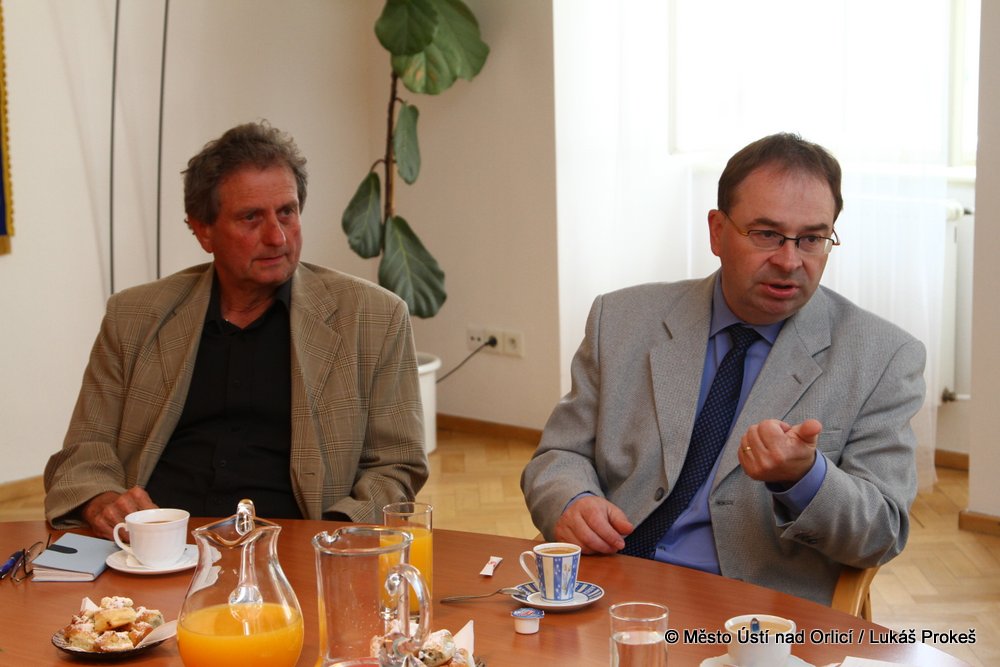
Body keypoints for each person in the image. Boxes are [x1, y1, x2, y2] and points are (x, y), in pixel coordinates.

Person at [521, 133, 926, 605]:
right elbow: (558, 455)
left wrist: (805, 478)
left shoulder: (884, 357)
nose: (789, 261)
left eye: (812, 239)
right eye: (767, 234)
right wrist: (572, 501)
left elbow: (881, 532)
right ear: (717, 232)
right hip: (607, 586)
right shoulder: (621, 319)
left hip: (754, 614)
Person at [45, 121, 428, 539]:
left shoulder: (373, 317)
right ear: (203, 230)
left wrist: (331, 539)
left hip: (293, 547)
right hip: (157, 548)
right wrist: (102, 499)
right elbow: (84, 450)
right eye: (251, 217)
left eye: (287, 212)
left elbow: (396, 465)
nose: (277, 237)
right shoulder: (134, 316)